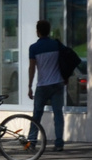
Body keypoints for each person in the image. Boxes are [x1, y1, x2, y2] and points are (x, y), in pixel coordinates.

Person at [26, 19, 65, 151]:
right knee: (58, 114)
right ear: (49, 31)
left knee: (37, 114)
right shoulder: (56, 45)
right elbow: (64, 63)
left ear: (38, 32)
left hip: (42, 86)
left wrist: (29, 86)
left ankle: (32, 141)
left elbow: (32, 68)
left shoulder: (34, 48)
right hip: (57, 83)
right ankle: (59, 143)